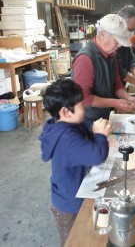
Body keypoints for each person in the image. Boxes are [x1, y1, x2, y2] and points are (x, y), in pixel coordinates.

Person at [39, 78, 112, 247]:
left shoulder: (60, 124)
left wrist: (94, 127)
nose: (84, 108)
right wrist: (100, 136)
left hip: (68, 193)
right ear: (66, 112)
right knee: (73, 240)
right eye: (81, 105)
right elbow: (97, 155)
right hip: (69, 204)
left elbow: (83, 124)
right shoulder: (66, 139)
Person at [72, 13, 135, 123]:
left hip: (104, 118)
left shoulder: (112, 55)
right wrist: (115, 103)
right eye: (117, 41)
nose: (119, 46)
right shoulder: (85, 59)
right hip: (87, 121)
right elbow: (83, 98)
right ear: (102, 35)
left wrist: (128, 97)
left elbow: (116, 84)